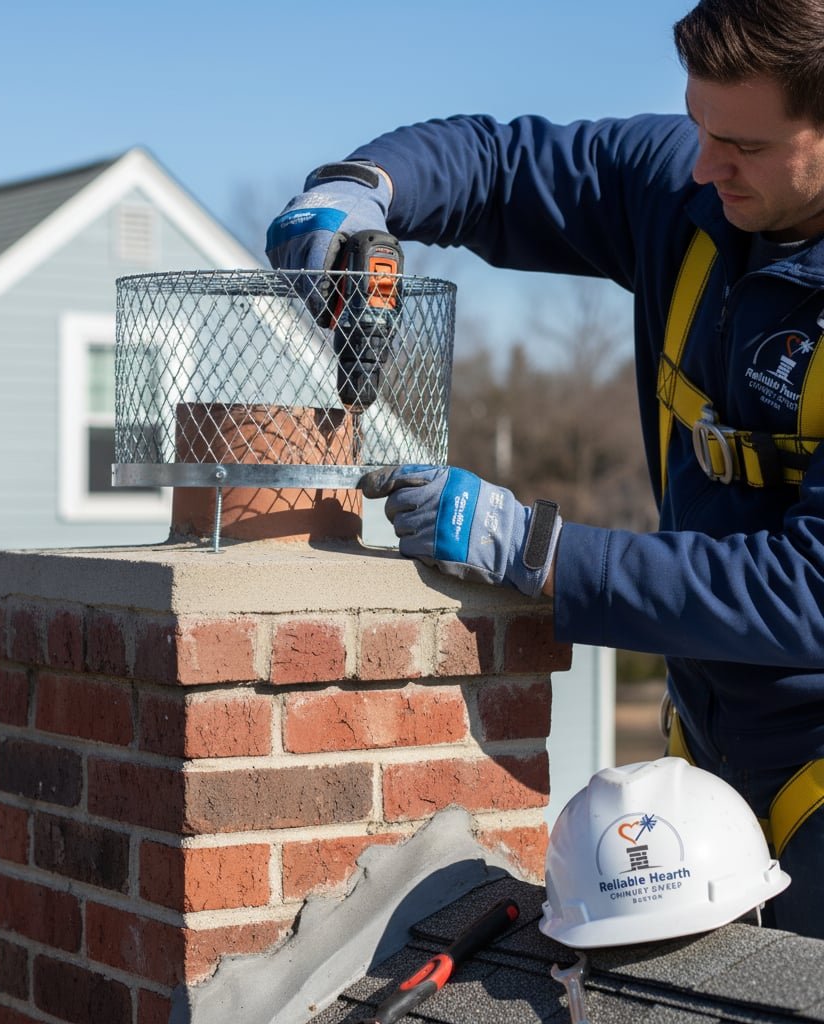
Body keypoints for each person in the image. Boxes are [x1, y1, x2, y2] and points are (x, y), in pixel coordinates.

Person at [265, 0, 824, 939]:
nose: (704, 165)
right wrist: (358, 187)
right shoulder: (695, 189)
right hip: (709, 750)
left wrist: (537, 552)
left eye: (744, 146)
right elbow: (498, 164)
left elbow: (809, 592)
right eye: (699, 124)